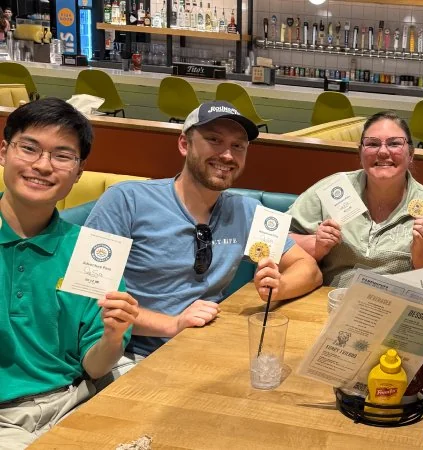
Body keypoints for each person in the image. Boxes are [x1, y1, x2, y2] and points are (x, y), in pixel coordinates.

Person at [85, 101, 321, 376]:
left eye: (238, 146)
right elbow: (87, 296)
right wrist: (172, 324)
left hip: (205, 348)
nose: (227, 155)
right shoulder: (127, 200)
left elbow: (309, 269)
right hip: (132, 354)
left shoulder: (245, 212)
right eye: (214, 140)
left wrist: (279, 286)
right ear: (184, 144)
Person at [0, 98, 139, 448]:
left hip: (78, 395)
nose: (43, 166)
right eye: (29, 148)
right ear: (4, 152)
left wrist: (112, 336)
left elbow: (94, 367)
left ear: (78, 172)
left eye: (62, 156)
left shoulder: (92, 251)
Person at [288, 111, 423, 287]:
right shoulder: (334, 190)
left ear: (410, 154)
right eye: (372, 144)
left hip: (399, 308)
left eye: (394, 144)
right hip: (329, 302)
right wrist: (316, 246)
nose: (382, 152)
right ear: (360, 153)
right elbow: (274, 238)